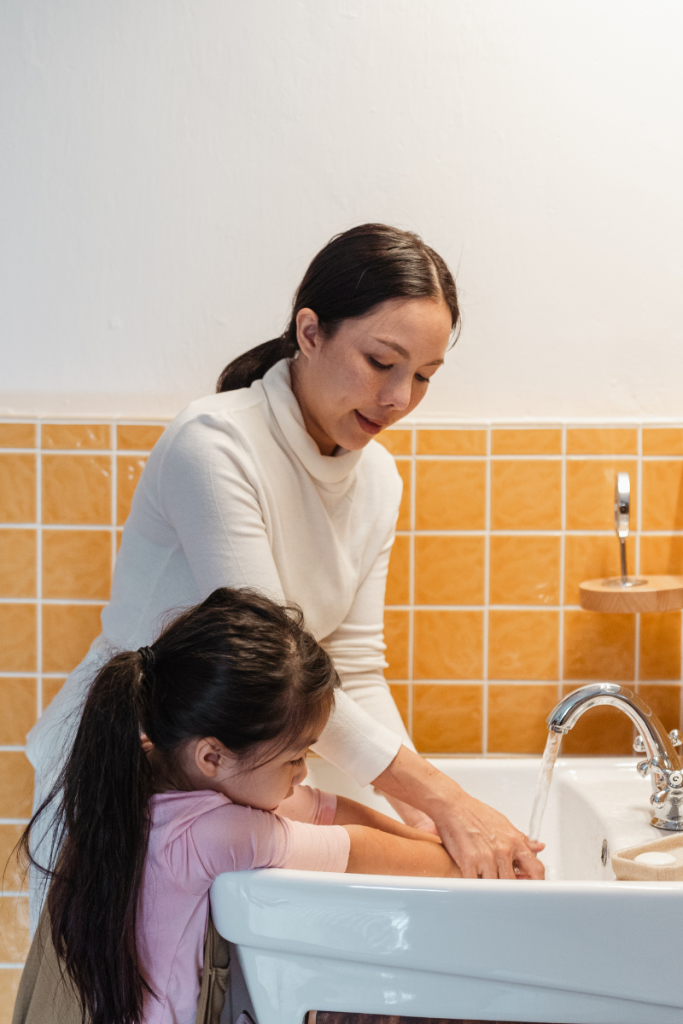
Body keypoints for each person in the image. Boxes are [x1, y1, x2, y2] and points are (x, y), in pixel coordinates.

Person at [26, 224, 543, 920]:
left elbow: (352, 665)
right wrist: (444, 801)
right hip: (132, 772)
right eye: (380, 361)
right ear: (309, 332)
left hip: (241, 784)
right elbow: (268, 671)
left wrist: (420, 817)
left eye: (423, 375)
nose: (398, 398)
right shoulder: (214, 444)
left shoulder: (377, 479)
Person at [16, 588, 462, 1024]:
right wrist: (463, 867)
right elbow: (357, 850)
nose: (302, 773)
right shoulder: (215, 834)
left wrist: (434, 839)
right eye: (295, 757)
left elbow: (323, 809)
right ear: (212, 757)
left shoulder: (138, 778)